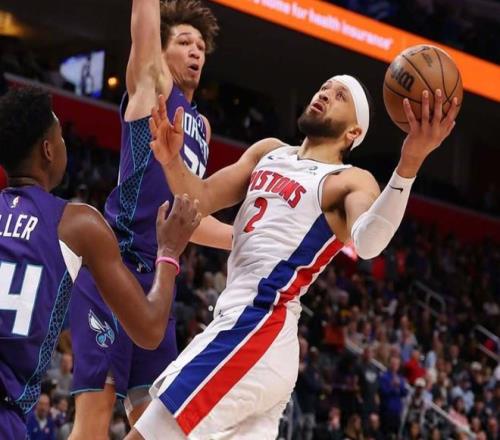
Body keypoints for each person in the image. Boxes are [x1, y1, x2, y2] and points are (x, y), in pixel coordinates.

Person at [129, 76, 459, 439]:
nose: (325, 94)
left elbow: (368, 243)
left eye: (340, 96)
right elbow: (201, 198)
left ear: (353, 132)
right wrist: (171, 160)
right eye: (325, 88)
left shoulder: (348, 180)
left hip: (256, 326)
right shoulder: (269, 151)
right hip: (255, 339)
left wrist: (409, 164)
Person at [69, 1, 231, 438]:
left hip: (160, 279)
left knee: (158, 426)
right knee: (95, 419)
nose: (195, 51)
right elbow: (143, 24)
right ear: (160, 52)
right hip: (114, 269)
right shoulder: (153, 88)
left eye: (201, 47)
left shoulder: (202, 127)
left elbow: (190, 215)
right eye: (184, 42)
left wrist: (245, 238)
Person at [0, 87, 200, 439]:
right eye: (61, 137)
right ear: (48, 150)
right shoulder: (77, 224)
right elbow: (150, 330)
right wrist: (169, 251)